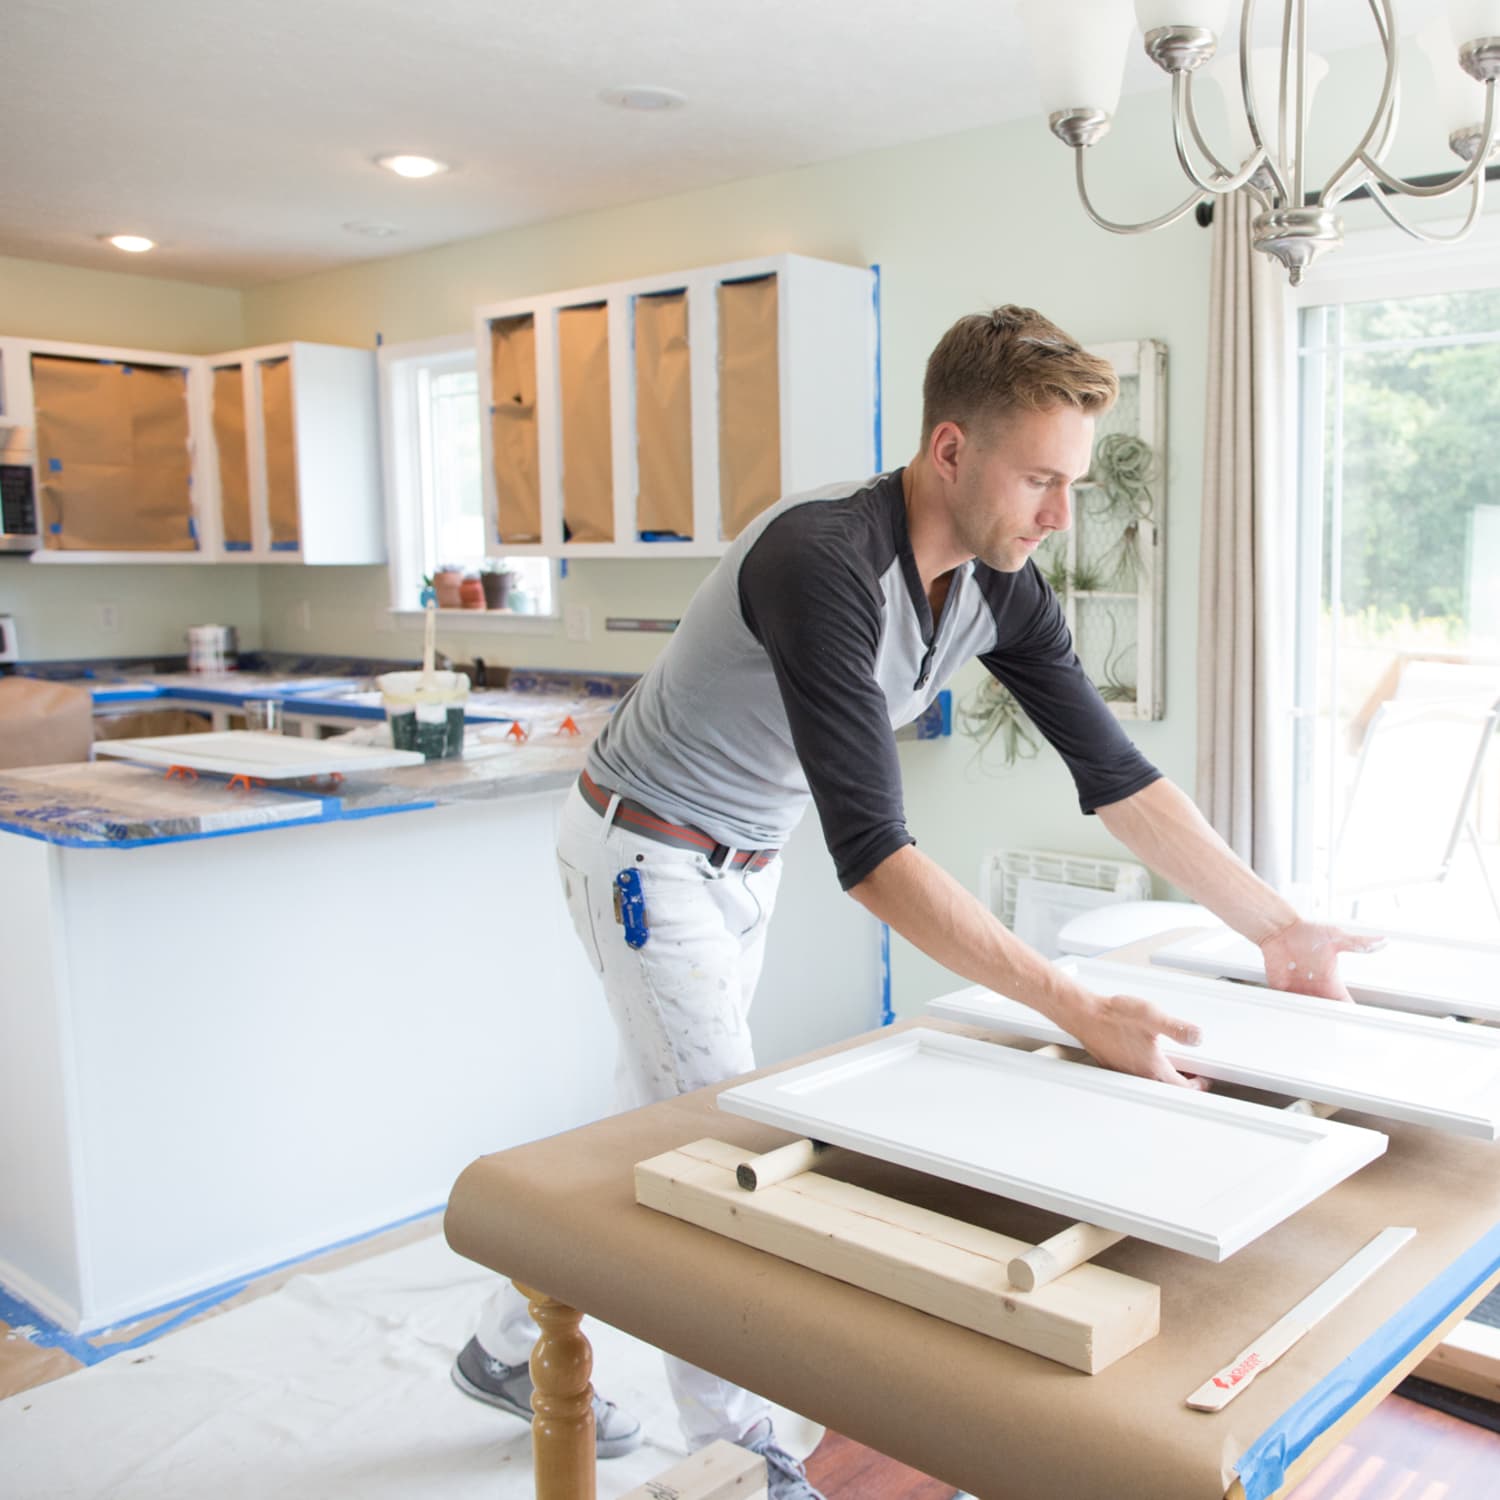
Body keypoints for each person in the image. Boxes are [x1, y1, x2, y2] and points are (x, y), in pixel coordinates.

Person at [451, 305, 1377, 1498]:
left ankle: (497, 1342)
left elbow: (1119, 779)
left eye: (1073, 483)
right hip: (647, 854)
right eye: (1040, 478)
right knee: (714, 1144)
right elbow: (878, 856)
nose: (1059, 515)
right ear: (949, 452)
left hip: (742, 859)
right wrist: (1075, 1007)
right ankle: (747, 1457)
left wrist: (1279, 929)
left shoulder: (999, 584)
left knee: (655, 1110)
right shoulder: (821, 561)